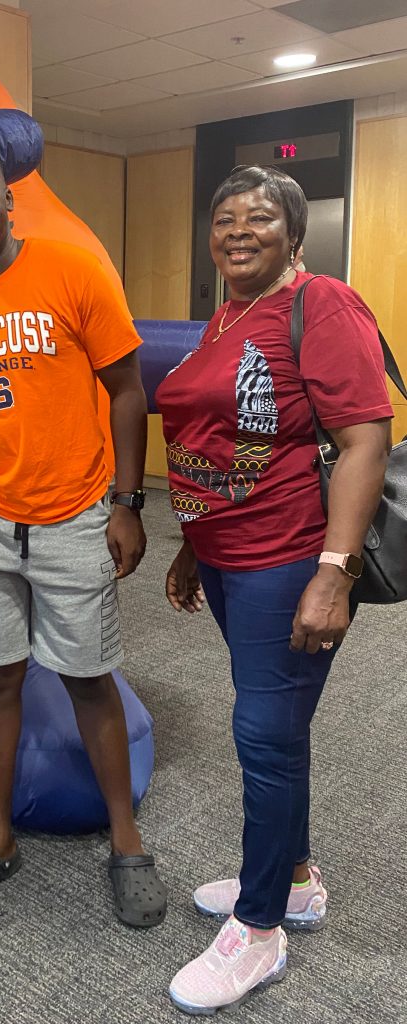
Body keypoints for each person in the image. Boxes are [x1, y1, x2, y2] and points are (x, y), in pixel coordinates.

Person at [0, 141, 167, 925]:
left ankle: (127, 841)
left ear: (6, 200)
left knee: (89, 679)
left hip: (73, 515)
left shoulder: (71, 270)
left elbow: (125, 389)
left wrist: (127, 502)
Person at [157, 165, 392, 1014]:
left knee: (262, 735)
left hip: (287, 558)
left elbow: (363, 439)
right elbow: (215, 436)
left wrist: (332, 572)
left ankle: (258, 931)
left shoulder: (319, 302)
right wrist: (191, 545)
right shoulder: (227, 314)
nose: (237, 231)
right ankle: (293, 881)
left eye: (259, 218)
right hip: (225, 557)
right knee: (278, 729)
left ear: (294, 233)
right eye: (223, 219)